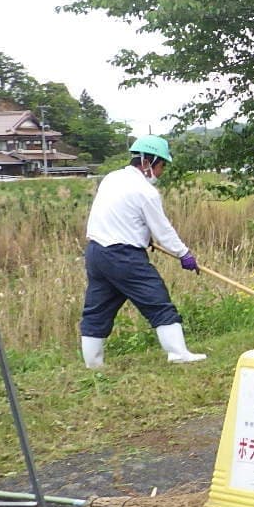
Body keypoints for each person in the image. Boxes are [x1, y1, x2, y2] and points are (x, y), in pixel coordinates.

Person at [79, 135, 205, 368]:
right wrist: (184, 254)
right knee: (157, 301)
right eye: (161, 166)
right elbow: (163, 230)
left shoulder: (111, 178)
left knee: (97, 309)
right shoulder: (145, 192)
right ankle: (178, 354)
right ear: (148, 162)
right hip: (123, 256)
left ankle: (93, 365)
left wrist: (143, 237)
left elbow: (121, 215)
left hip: (96, 253)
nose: (161, 172)